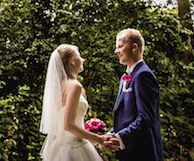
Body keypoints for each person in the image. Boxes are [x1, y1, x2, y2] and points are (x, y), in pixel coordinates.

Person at [102, 29, 164, 161]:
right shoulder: (126, 76)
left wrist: (120, 138)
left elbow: (146, 118)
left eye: (120, 46)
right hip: (129, 151)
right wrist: (112, 134)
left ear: (134, 47)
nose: (116, 51)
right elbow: (128, 116)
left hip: (143, 152)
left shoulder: (143, 75)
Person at [39, 44, 105, 161]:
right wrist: (98, 139)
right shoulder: (74, 86)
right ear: (71, 61)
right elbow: (68, 125)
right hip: (75, 148)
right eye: (79, 56)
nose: (82, 59)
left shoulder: (59, 88)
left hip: (59, 148)